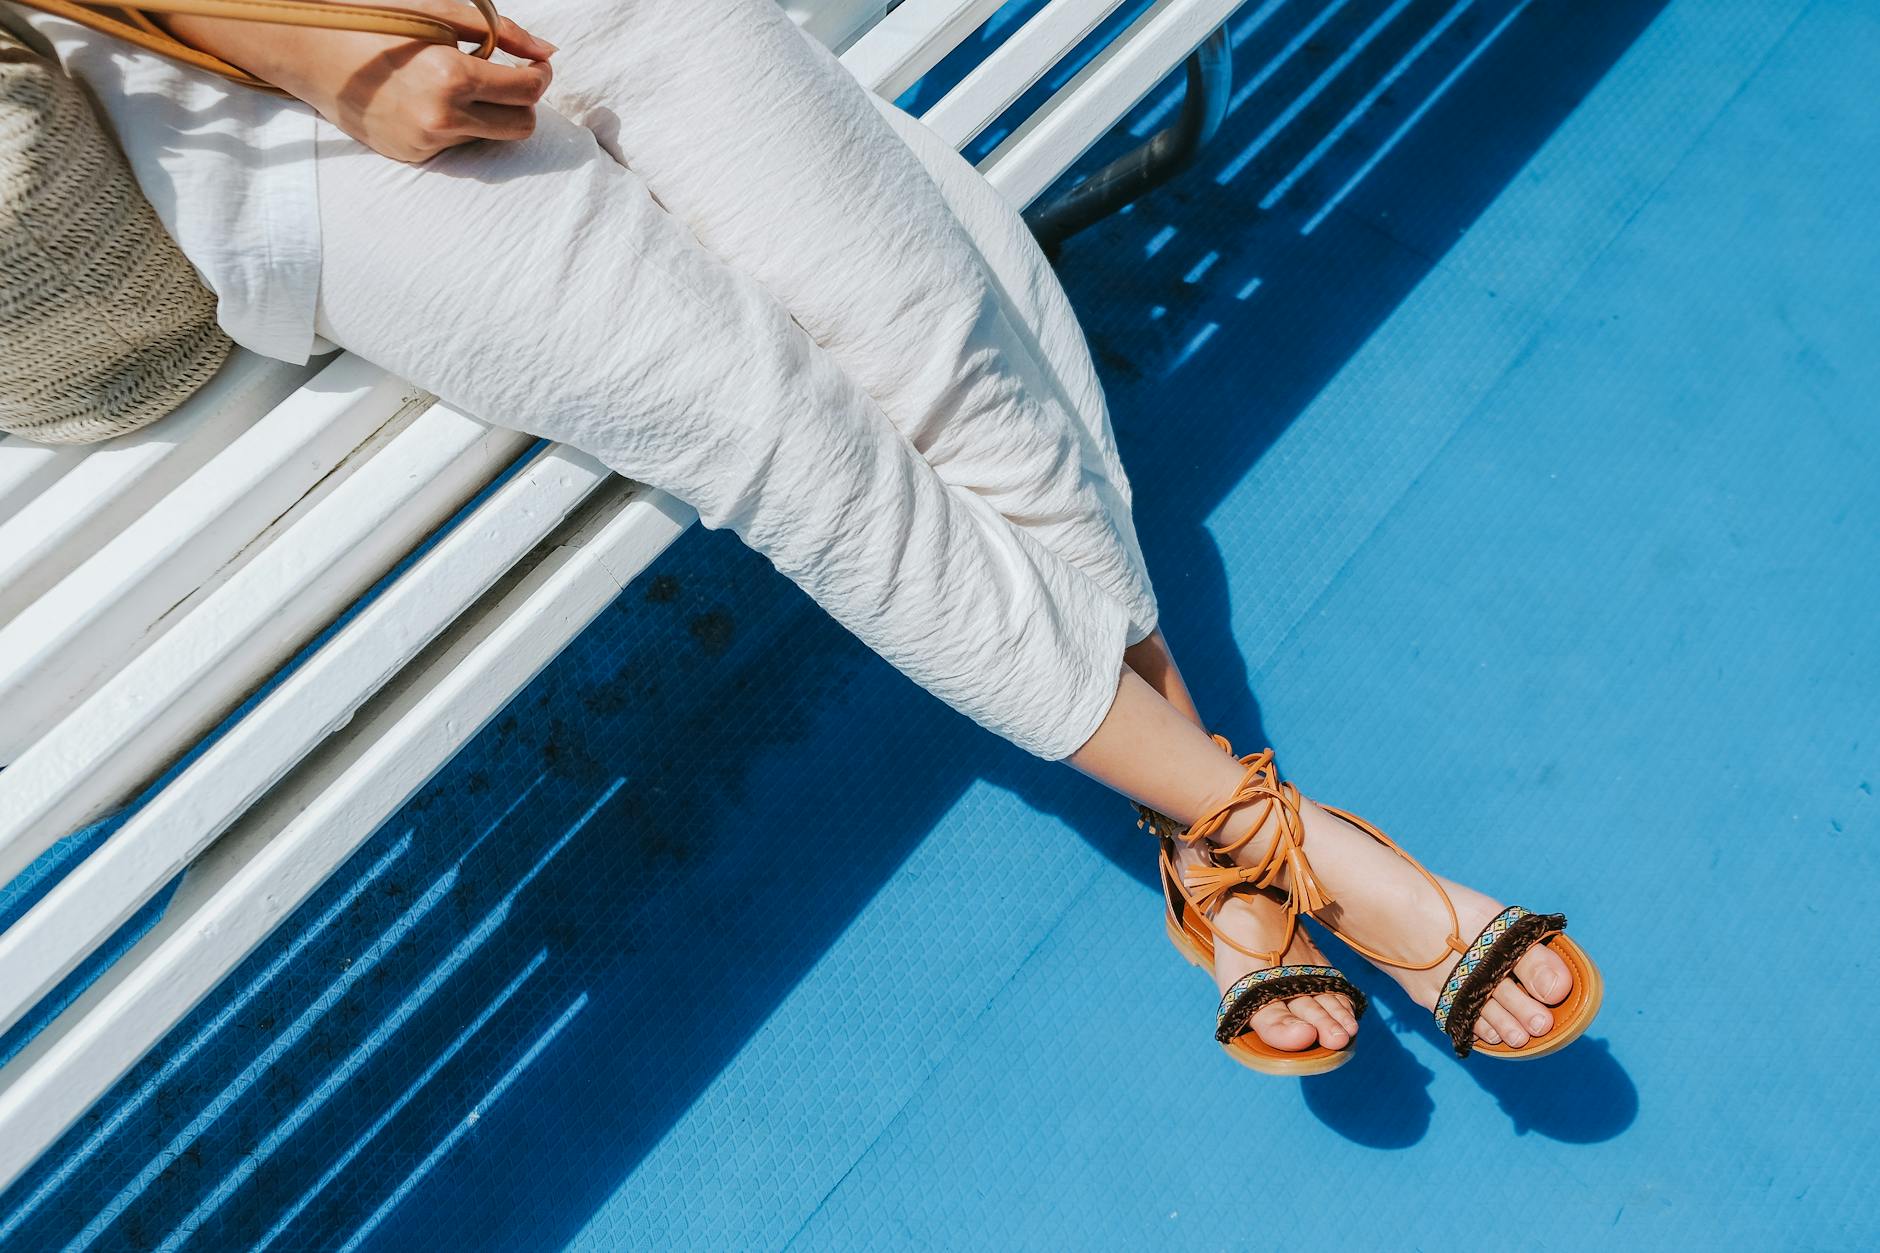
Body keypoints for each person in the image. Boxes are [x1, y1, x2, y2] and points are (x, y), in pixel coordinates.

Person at [3, 0, 1596, 1071]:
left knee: (937, 326)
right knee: (775, 430)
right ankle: (1307, 847)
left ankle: (1209, 842)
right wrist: (311, 50)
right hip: (271, 116)